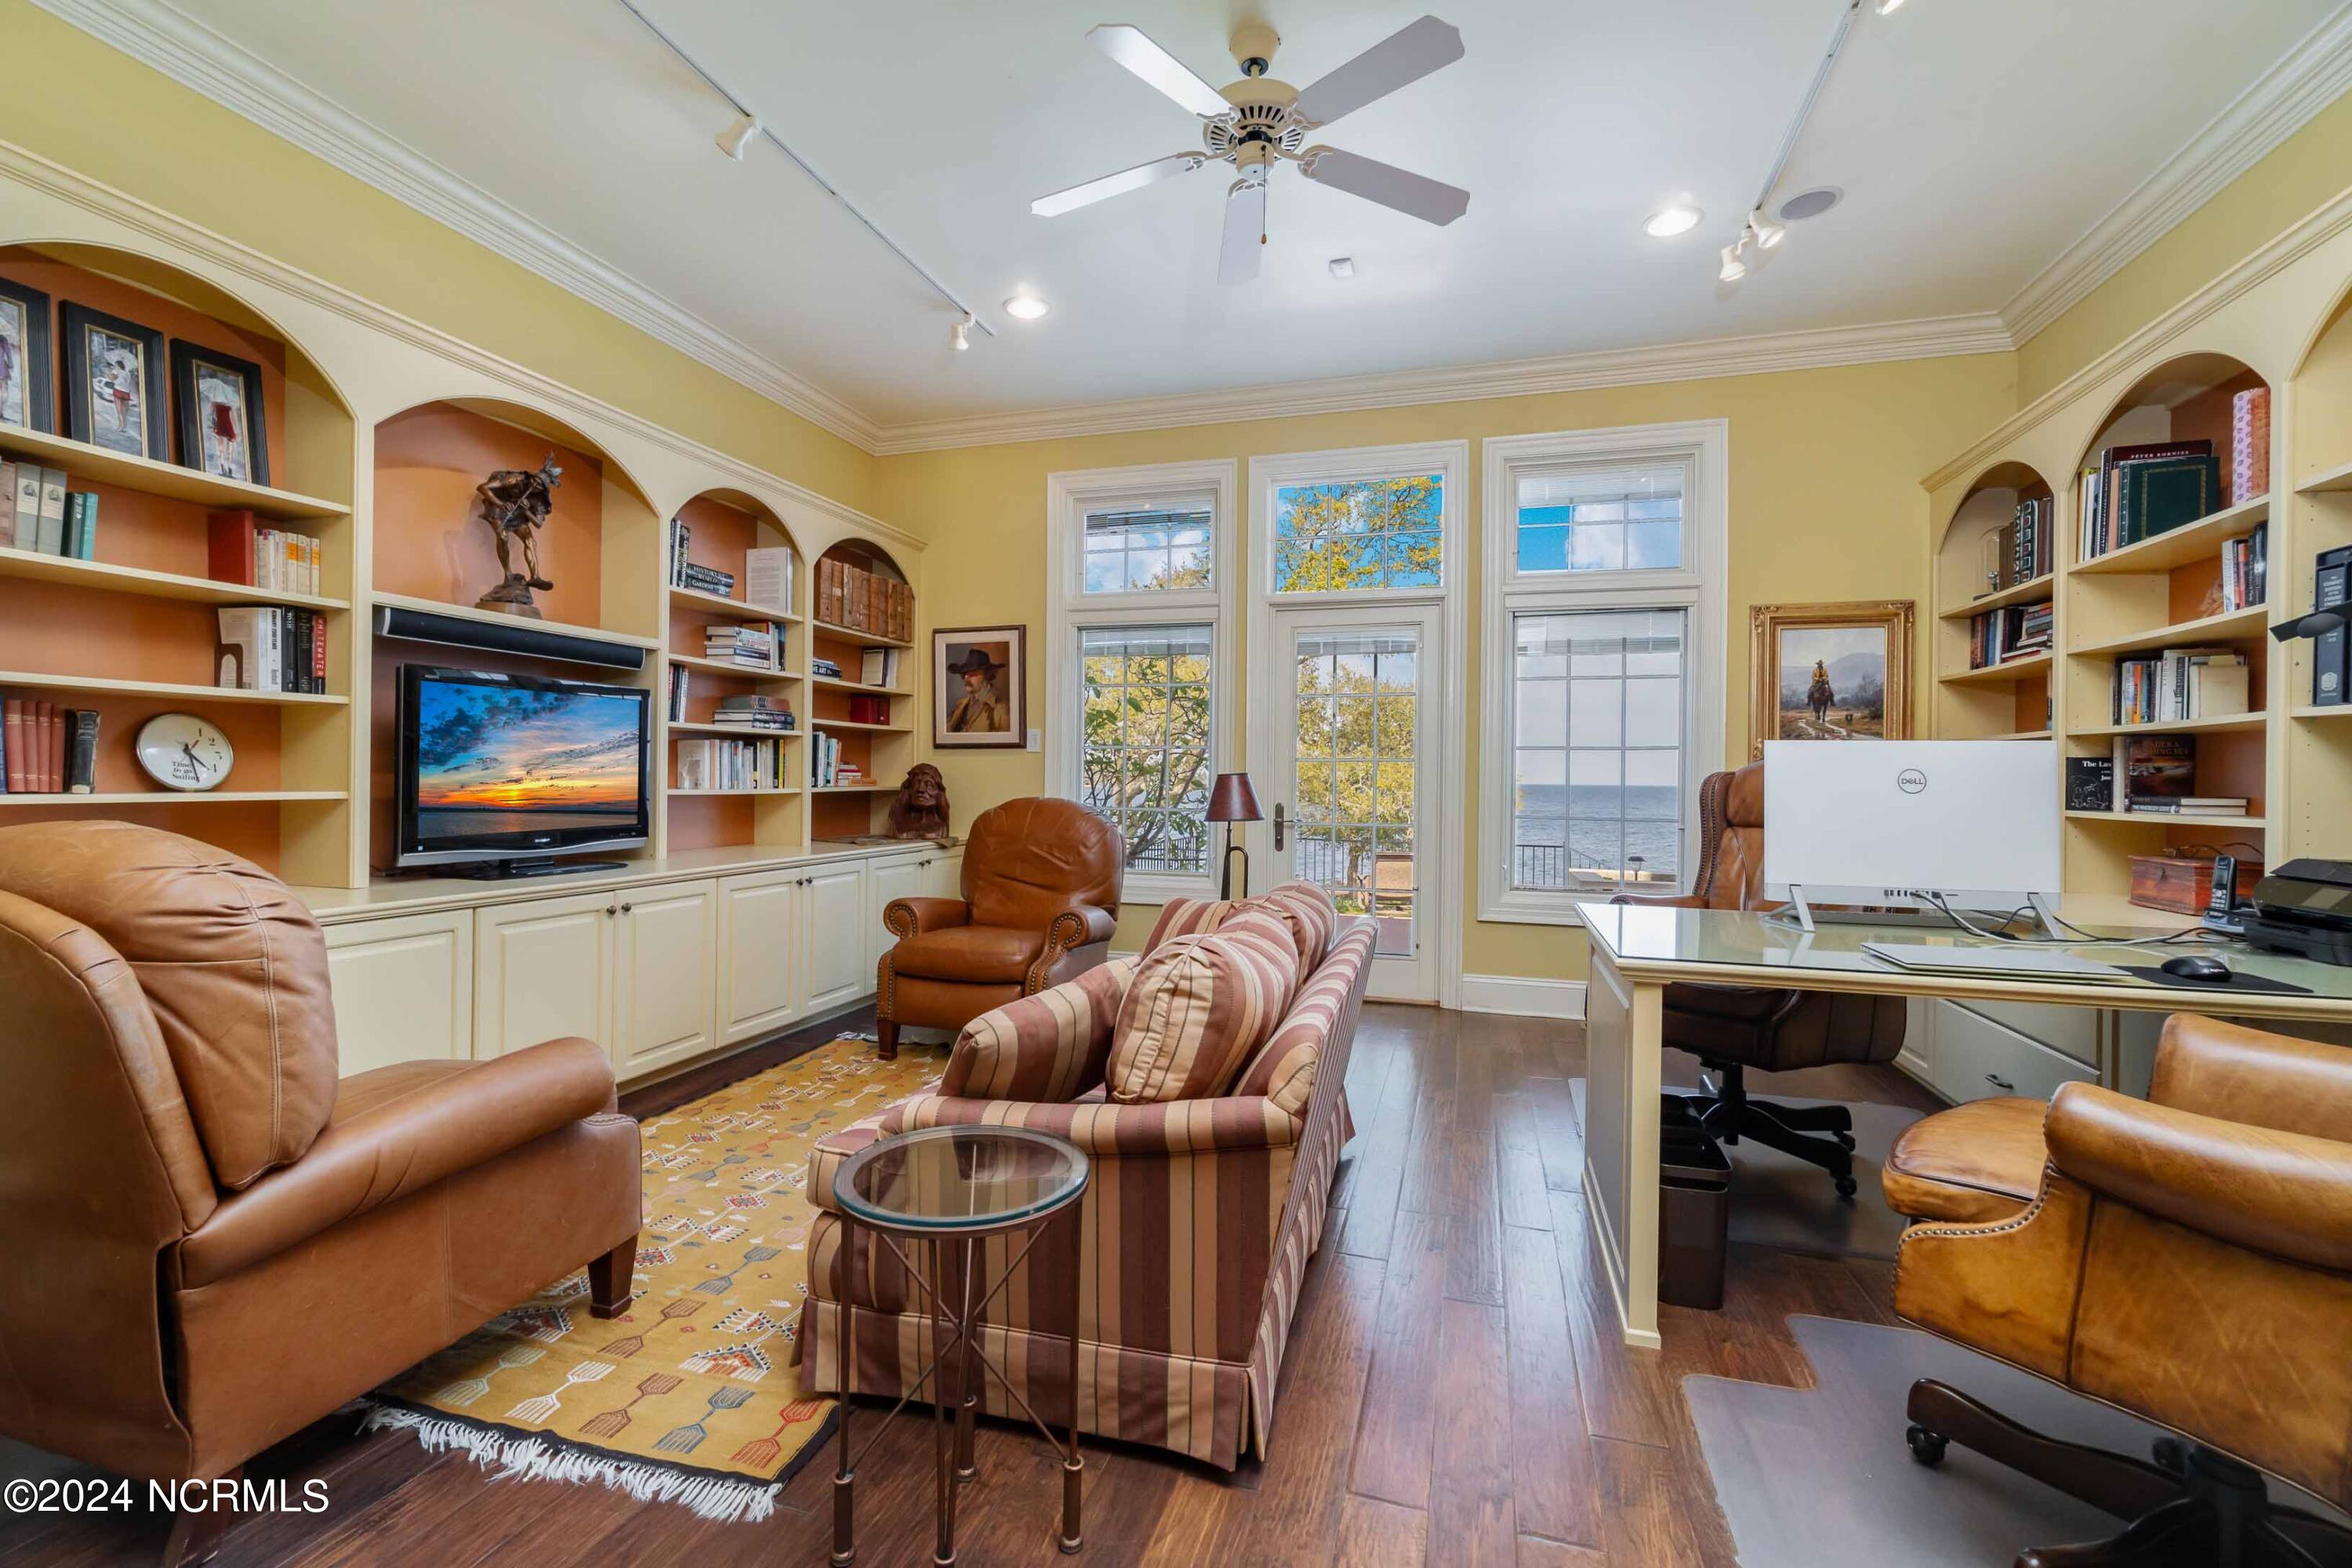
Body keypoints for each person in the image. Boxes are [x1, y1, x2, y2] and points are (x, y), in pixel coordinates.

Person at [946, 647, 1007, 734]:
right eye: (965, 673)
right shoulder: (960, 706)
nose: (966, 677)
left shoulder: (1000, 709)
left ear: (987, 676)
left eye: (972, 673)